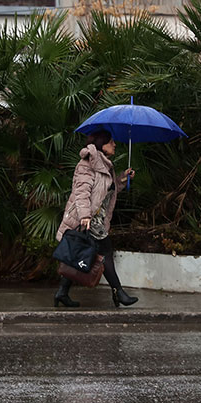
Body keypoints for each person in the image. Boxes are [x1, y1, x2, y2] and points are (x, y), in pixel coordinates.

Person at [54, 128, 138, 308]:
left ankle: (62, 292)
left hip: (97, 219)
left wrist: (123, 178)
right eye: (111, 142)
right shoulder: (87, 164)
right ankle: (119, 293)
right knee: (105, 253)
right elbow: (81, 192)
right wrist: (85, 216)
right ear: (102, 145)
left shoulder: (104, 164)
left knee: (82, 254)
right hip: (88, 219)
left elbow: (107, 190)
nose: (114, 145)